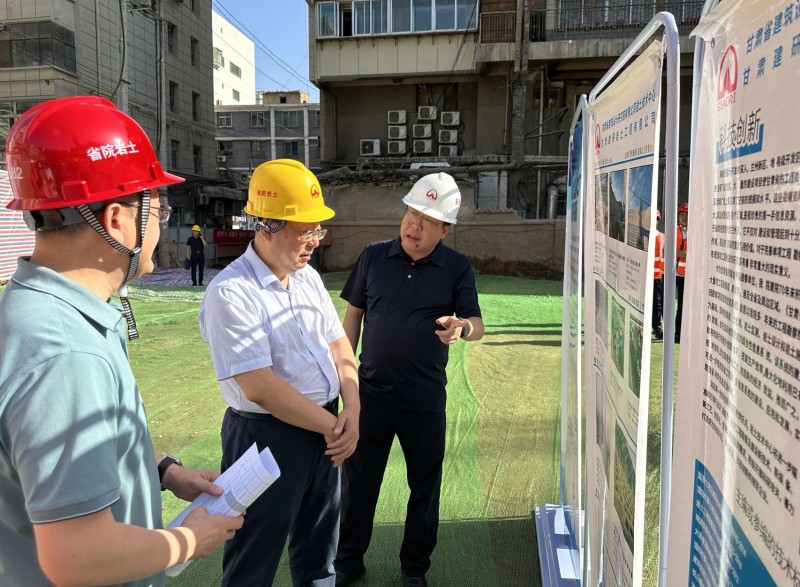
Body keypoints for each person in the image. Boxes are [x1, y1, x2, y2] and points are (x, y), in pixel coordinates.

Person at [0, 96, 242, 587]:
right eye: (158, 209)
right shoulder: (67, 354)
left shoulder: (41, 311)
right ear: (116, 220)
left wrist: (164, 470)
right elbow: (76, 556)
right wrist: (190, 539)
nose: (159, 223)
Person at [199, 158, 360, 586]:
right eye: (305, 230)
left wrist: (352, 409)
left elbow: (338, 343)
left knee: (320, 544)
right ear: (267, 225)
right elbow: (260, 387)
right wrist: (336, 427)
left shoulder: (307, 278)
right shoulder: (232, 292)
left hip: (326, 430)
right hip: (267, 437)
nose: (315, 241)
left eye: (318, 230)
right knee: (255, 552)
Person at [334, 173, 485, 587]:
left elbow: (476, 323)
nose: (414, 225)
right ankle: (347, 562)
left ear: (445, 229)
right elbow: (353, 317)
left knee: (424, 488)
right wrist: (344, 379)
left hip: (423, 400)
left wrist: (462, 329)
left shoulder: (456, 268)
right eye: (411, 213)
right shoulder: (373, 257)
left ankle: (414, 568)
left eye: (427, 220)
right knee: (358, 485)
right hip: (371, 395)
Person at [675, 201, 688, 343]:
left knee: (685, 305)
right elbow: (669, 250)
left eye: (687, 215)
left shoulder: (697, 231)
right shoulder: (674, 231)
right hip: (675, 274)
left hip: (689, 275)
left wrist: (680, 253)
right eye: (682, 214)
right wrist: (684, 253)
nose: (684, 217)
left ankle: (682, 333)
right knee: (679, 306)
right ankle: (676, 332)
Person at [652, 210, 665, 339]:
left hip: (657, 276)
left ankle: (657, 326)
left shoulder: (662, 236)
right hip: (644, 276)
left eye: (655, 219)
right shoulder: (641, 235)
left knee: (657, 302)